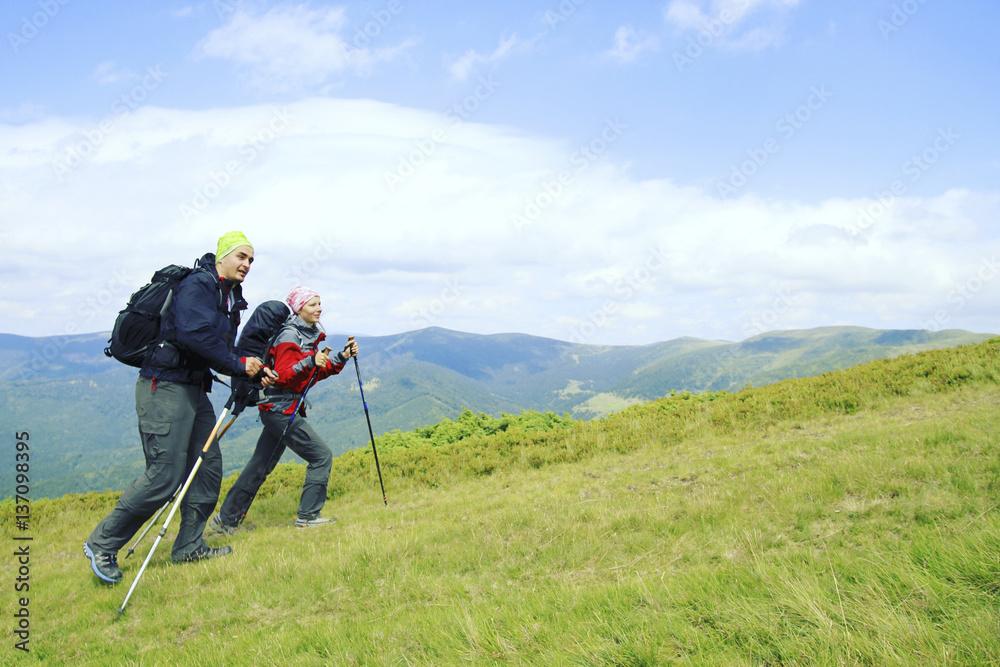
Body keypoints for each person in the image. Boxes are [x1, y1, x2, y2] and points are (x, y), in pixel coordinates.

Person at [84, 231, 277, 584]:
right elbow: (192, 335)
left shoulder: (228, 296)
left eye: (252, 260)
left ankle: (189, 545)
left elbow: (216, 349)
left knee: (207, 467)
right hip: (164, 387)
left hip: (193, 388)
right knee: (165, 475)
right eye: (242, 256)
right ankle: (103, 544)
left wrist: (251, 368)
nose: (247, 264)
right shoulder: (198, 286)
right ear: (223, 256)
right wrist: (238, 365)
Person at [210, 286, 357, 532]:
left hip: (279, 409)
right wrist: (311, 360)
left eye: (320, 304)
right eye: (312, 304)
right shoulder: (290, 336)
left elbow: (311, 375)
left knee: (260, 466)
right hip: (280, 410)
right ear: (299, 308)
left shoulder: (305, 335)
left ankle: (225, 521)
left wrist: (341, 357)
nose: (319, 308)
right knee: (321, 456)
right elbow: (282, 376)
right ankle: (308, 517)